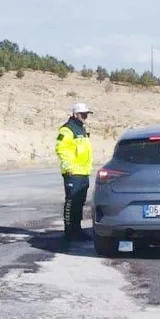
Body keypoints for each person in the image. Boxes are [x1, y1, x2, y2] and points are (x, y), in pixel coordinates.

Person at [56, 102, 94, 242]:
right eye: (83, 115)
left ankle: (77, 230)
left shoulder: (81, 129)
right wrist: (69, 168)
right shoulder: (67, 130)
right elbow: (61, 149)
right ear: (75, 114)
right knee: (71, 202)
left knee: (79, 203)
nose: (85, 117)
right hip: (73, 172)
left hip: (83, 172)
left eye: (86, 115)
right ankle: (69, 232)